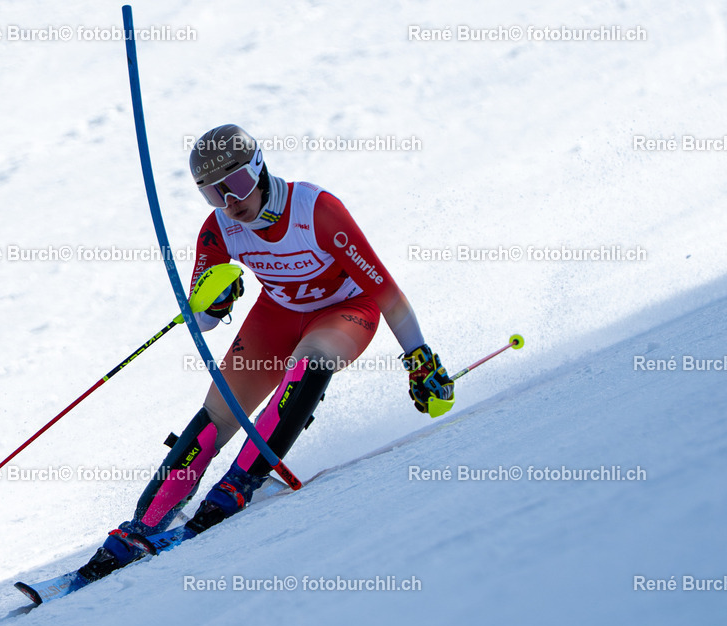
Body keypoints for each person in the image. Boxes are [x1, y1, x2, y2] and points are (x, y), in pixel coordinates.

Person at [77, 124, 453, 581]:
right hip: (277, 314)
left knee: (309, 364)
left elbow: (387, 293)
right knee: (216, 414)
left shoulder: (316, 210)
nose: (231, 203)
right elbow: (204, 321)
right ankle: (142, 526)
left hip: (346, 310)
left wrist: (420, 359)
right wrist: (213, 299)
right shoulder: (219, 231)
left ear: (258, 168)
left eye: (235, 184)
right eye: (214, 194)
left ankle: (238, 485)